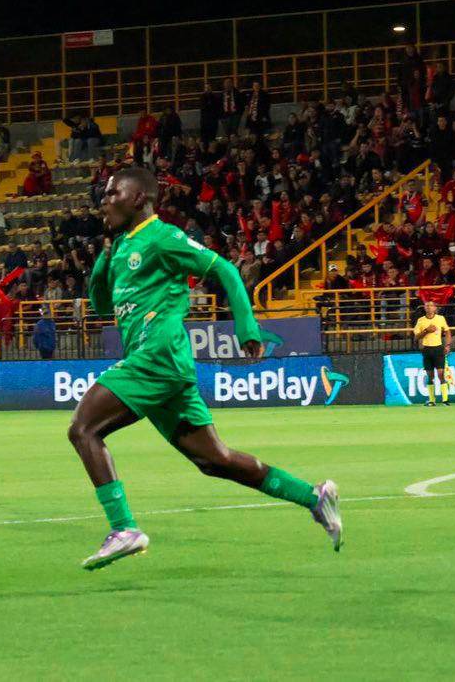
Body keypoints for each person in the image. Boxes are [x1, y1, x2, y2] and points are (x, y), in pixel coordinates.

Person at [69, 167, 342, 570]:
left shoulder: (163, 237)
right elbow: (104, 308)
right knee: (215, 460)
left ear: (140, 197)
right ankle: (313, 496)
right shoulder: (124, 245)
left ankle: (124, 528)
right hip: (162, 368)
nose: (104, 200)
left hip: (156, 357)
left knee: (83, 429)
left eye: (113, 193)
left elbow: (226, 270)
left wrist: (246, 325)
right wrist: (101, 266)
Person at [413, 300, 452, 406]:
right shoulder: (421, 321)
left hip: (438, 349)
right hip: (427, 349)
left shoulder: (440, 319)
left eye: (431, 306)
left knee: (441, 374)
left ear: (435, 308)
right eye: (427, 306)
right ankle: (431, 400)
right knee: (430, 376)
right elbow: (416, 337)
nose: (429, 307)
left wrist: (448, 345)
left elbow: (447, 331)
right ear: (424, 308)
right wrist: (426, 330)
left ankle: (445, 399)